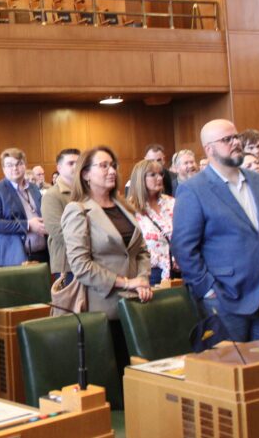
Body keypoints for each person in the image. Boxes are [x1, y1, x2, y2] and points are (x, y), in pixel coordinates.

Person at [172, 119, 259, 342]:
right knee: (233, 369)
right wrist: (207, 289)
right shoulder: (193, 189)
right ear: (209, 149)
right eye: (227, 139)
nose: (235, 142)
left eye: (236, 137)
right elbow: (183, 247)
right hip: (225, 298)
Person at [62, 146, 151, 369]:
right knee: (114, 377)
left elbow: (140, 251)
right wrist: (126, 283)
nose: (111, 170)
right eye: (103, 166)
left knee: (139, 375)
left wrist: (142, 280)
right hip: (102, 309)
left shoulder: (124, 206)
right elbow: (81, 265)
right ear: (85, 174)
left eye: (113, 165)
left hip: (135, 303)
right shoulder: (78, 210)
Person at [0, 148, 47, 266]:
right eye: (9, 165)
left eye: (19, 164)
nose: (15, 168)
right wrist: (28, 225)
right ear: (3, 169)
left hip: (42, 254)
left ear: (25, 165)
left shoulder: (33, 188)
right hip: (16, 257)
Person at [126, 159, 175, 286]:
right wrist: (163, 261)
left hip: (179, 269)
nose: (159, 178)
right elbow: (131, 247)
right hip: (151, 273)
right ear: (140, 179)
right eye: (153, 175)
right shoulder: (129, 209)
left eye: (160, 174)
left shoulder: (172, 203)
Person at [41, 148, 80, 280]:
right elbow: (58, 232)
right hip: (67, 265)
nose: (76, 166)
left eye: (78, 163)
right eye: (70, 163)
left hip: (91, 262)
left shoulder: (87, 192)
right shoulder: (52, 195)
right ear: (59, 168)